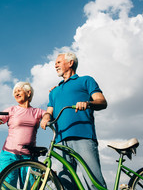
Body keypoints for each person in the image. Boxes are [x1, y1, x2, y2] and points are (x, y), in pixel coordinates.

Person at [40, 52, 107, 190]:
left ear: (70, 63)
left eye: (58, 62)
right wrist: (46, 117)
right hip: (59, 141)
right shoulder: (54, 91)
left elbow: (101, 101)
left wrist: (88, 103)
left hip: (83, 136)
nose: (55, 65)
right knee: (66, 183)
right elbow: (49, 111)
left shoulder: (86, 80)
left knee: (93, 182)